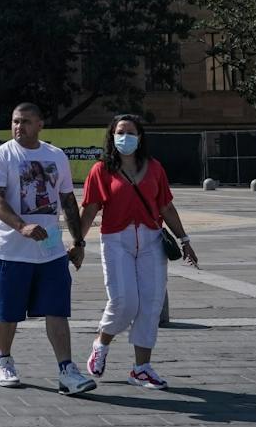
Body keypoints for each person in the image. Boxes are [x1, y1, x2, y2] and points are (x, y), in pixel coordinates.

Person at [0, 102, 96, 394]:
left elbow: (69, 201)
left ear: (40, 124)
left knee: (57, 310)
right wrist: (22, 226)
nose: (19, 127)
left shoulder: (55, 156)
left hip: (51, 251)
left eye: (26, 121)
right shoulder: (1, 156)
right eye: (15, 121)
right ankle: (4, 360)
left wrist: (79, 242)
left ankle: (67, 370)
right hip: (10, 251)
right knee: (7, 313)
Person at [79, 113, 199, 390]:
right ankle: (102, 343)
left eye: (130, 132)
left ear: (140, 137)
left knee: (151, 303)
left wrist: (184, 239)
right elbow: (91, 208)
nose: (125, 137)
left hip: (151, 240)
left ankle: (141, 369)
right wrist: (78, 243)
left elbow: (166, 206)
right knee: (124, 302)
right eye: (120, 132)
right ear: (112, 136)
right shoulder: (102, 169)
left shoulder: (155, 168)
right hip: (116, 239)